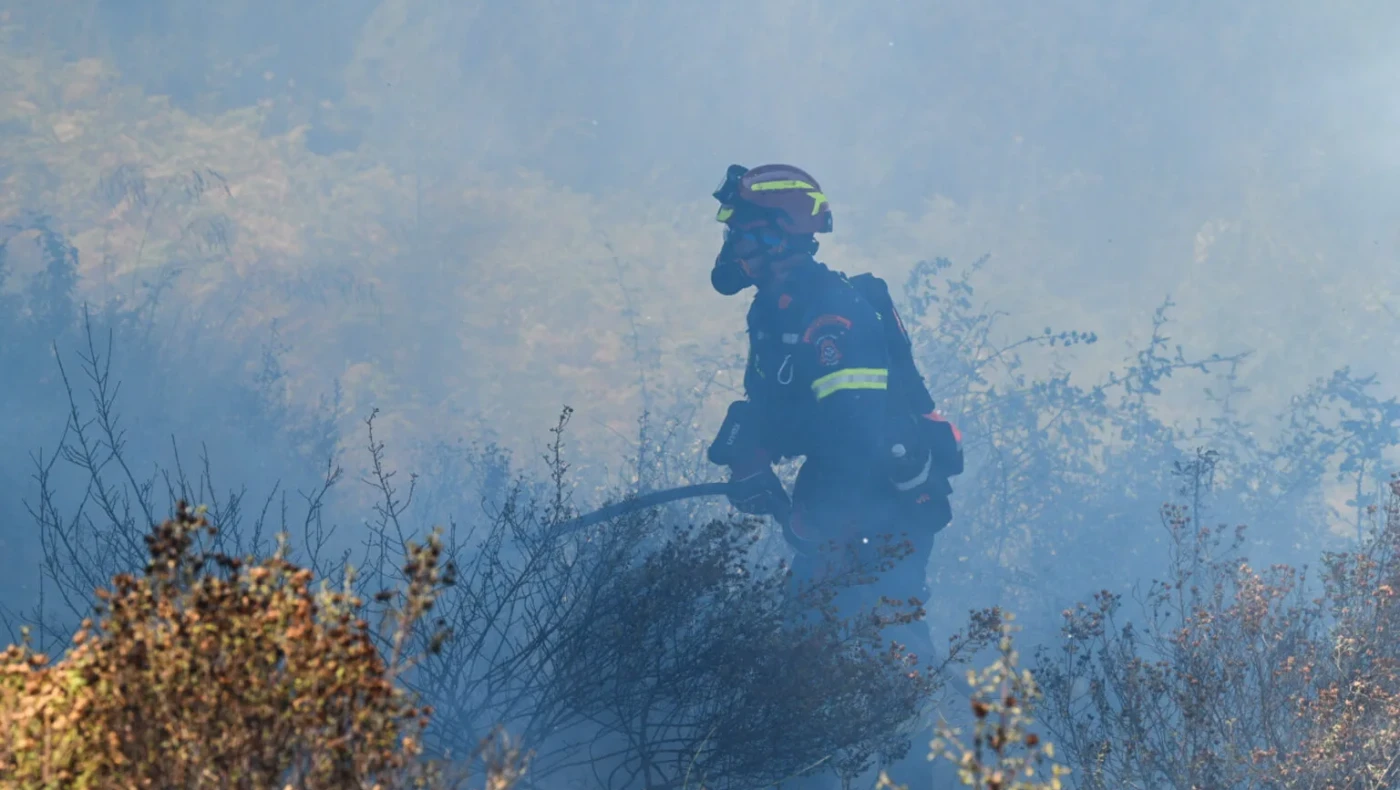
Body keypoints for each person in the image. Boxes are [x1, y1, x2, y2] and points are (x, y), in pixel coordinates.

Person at [703, 163, 963, 789]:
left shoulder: (832, 313)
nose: (731, 245)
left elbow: (857, 430)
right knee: (806, 651)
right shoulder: (775, 310)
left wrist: (829, 523)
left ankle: (922, 775)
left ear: (777, 236)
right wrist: (751, 453)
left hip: (886, 505)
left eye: (741, 230)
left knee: (888, 644)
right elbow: (789, 413)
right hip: (837, 500)